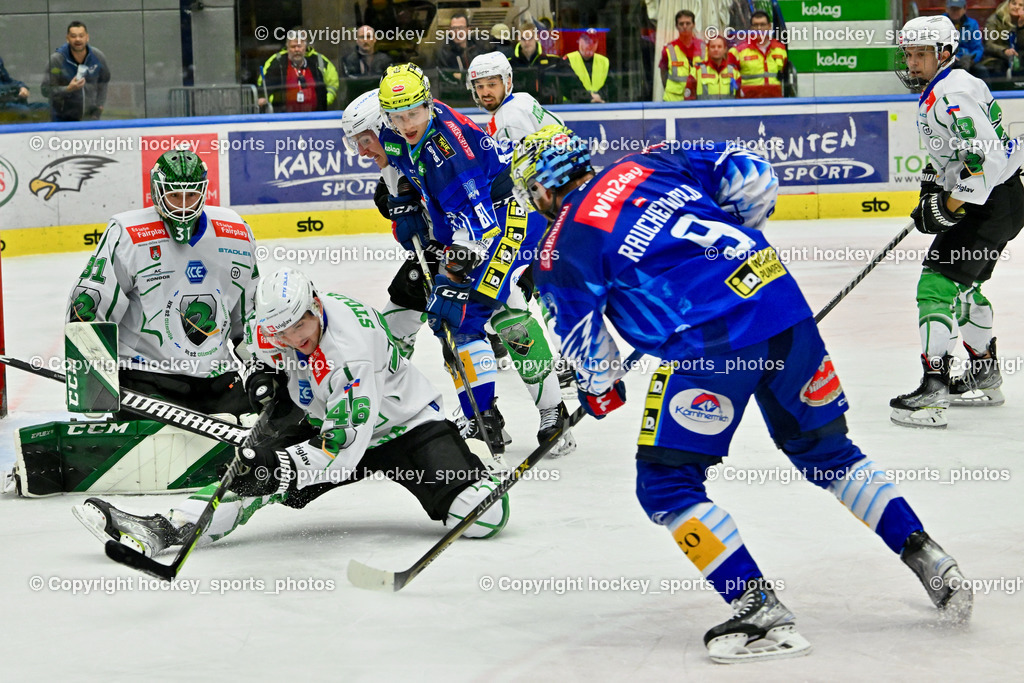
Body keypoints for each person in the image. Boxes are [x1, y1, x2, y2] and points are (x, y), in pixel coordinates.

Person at [510, 125, 973, 662]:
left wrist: (598, 394)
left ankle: (759, 608)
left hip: (711, 345)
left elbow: (592, 359)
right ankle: (932, 558)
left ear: (543, 189)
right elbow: (753, 177)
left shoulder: (563, 244)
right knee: (830, 453)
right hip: (780, 303)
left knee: (664, 484)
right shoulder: (652, 161)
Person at [72, 267, 509, 558]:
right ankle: (168, 528)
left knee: (481, 514)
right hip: (325, 418)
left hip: (405, 427)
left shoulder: (348, 353)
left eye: (300, 326)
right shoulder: (276, 325)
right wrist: (262, 377)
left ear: (315, 306)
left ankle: (472, 470)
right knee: (247, 477)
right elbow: (262, 356)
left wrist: (277, 466)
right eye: (281, 330)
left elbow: (342, 453)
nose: (293, 337)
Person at [376, 63, 574, 458]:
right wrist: (399, 197)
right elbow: (402, 167)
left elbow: (479, 219)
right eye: (396, 116)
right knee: (459, 317)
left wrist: (455, 270)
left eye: (412, 113)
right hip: (476, 221)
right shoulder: (399, 129)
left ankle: (552, 411)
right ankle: (483, 412)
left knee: (488, 312)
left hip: (506, 218)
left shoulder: (449, 149)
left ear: (427, 104)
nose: (405, 123)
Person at [889, 15, 1024, 429]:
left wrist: (946, 206)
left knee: (935, 284)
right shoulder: (943, 89)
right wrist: (932, 189)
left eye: (922, 54)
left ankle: (933, 392)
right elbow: (953, 156)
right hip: (1003, 200)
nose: (912, 63)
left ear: (944, 53)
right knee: (964, 290)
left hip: (989, 201)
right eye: (909, 54)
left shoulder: (954, 92)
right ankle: (985, 375)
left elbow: (985, 160)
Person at [67, 149, 259, 418]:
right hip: (146, 379)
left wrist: (262, 370)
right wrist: (92, 390)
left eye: (191, 195)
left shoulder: (236, 231)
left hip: (218, 380)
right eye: (174, 195)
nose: (183, 205)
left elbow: (249, 317)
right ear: (157, 192)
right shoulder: (129, 234)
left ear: (203, 191)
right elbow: (89, 305)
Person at [43, 21, 110, 122]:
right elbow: (45, 90)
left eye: (81, 36)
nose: (77, 39)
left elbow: (103, 82)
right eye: (73, 36)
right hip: (62, 120)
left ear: (87, 37)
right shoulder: (57, 60)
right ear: (67, 38)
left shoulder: (98, 57)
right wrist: (68, 89)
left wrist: (99, 106)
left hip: (90, 119)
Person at [258, 30, 339, 112]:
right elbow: (267, 85)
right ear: (288, 48)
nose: (296, 50)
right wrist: (263, 98)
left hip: (315, 117)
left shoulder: (315, 65)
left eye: (299, 46)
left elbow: (324, 89)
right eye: (293, 47)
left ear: (305, 48)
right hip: (285, 118)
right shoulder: (279, 64)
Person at [728, 11, 787, 99]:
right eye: (755, 25)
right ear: (751, 28)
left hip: (775, 101)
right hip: (748, 102)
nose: (759, 28)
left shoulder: (780, 48)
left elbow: (784, 73)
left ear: (769, 26)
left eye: (762, 24)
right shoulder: (738, 50)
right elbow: (728, 73)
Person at [508, 22, 559, 104]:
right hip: (518, 111)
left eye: (530, 38)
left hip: (545, 109)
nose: (527, 42)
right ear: (518, 39)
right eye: (523, 39)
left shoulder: (552, 62)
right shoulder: (509, 64)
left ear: (537, 37)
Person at [660, 9, 704, 102]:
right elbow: (663, 73)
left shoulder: (704, 47)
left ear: (694, 25)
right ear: (676, 26)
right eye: (681, 24)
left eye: (688, 23)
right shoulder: (669, 49)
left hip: (698, 98)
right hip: (674, 100)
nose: (684, 26)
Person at [437, 12, 487, 83]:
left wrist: (462, 76)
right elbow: (448, 78)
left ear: (468, 29)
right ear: (450, 31)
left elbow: (485, 74)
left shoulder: (478, 48)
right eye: (454, 28)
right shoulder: (445, 53)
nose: (457, 32)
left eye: (461, 28)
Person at [979, 0, 1024, 77]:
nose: (1016, 7)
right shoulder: (994, 20)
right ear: (1008, 4)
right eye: (1014, 4)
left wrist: (1021, 27)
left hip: (1019, 58)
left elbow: (1022, 45)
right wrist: (1004, 51)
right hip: (997, 57)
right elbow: (989, 44)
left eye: (1020, 5)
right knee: (997, 66)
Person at [690, 35, 738, 100]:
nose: (716, 49)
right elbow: (689, 95)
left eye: (719, 47)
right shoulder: (698, 70)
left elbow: (740, 95)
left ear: (725, 50)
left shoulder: (733, 70)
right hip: (705, 109)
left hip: (728, 109)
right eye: (713, 47)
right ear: (708, 49)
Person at [0, 55, 47, 121]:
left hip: (15, 102)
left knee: (45, 108)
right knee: (24, 111)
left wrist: (22, 87)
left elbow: (9, 81)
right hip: (4, 106)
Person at [945, 0, 985, 76]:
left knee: (982, 71)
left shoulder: (972, 24)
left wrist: (971, 59)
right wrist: (949, 58)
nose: (955, 11)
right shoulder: (940, 23)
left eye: (958, 9)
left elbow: (978, 48)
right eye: (952, 9)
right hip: (946, 61)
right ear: (947, 9)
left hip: (967, 60)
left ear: (964, 9)